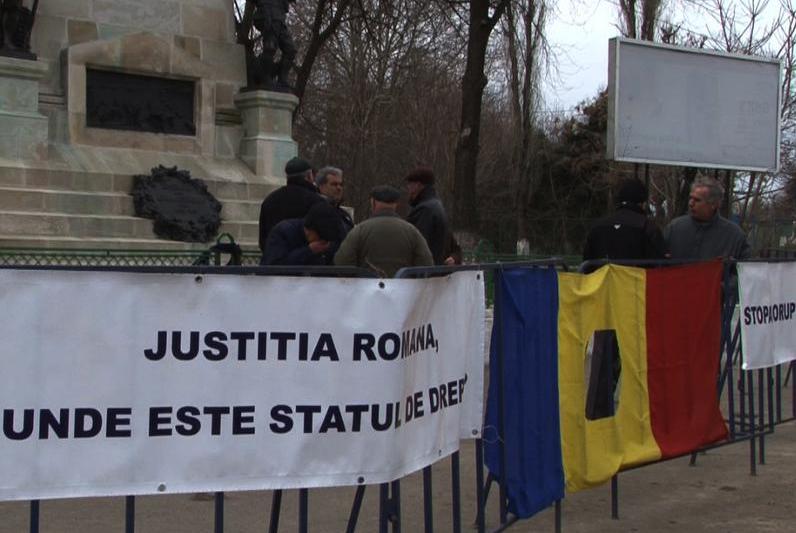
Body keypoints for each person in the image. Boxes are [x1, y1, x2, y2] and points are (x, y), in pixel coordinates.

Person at [334, 186, 433, 277]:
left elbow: (342, 261)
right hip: (403, 291)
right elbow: (426, 263)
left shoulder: (360, 230)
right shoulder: (412, 231)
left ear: (373, 202)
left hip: (365, 291)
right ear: (396, 205)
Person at [582, 178, 665, 267]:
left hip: (603, 280)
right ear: (642, 202)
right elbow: (659, 265)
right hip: (635, 279)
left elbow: (586, 265)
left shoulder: (597, 227)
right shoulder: (648, 227)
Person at [664, 176, 751, 260]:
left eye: (697, 200)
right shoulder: (674, 228)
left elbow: (746, 271)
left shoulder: (734, 236)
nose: (691, 203)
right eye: (690, 198)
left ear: (713, 204)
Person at [258, 157, 323, 259]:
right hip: (307, 264)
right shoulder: (316, 201)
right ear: (309, 176)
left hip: (274, 263)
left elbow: (263, 239)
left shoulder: (270, 200)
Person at [262, 202, 344, 266]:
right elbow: (274, 266)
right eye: (320, 239)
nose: (323, 243)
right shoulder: (283, 233)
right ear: (310, 231)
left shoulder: (327, 242)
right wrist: (308, 251)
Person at [404, 167, 451, 265]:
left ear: (418, 185)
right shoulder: (437, 205)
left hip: (423, 272)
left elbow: (417, 243)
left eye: (410, 184)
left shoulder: (424, 210)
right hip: (434, 268)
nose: (408, 188)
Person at [253, 0, 296, 91]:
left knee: (290, 50)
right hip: (267, 14)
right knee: (270, 47)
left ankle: (282, 79)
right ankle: (265, 77)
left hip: (280, 18)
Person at [315, 166, 354, 236]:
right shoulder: (314, 211)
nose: (339, 188)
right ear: (321, 186)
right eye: (334, 184)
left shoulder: (344, 215)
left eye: (341, 185)